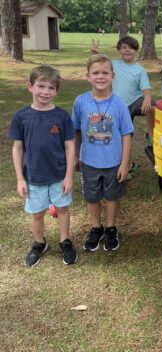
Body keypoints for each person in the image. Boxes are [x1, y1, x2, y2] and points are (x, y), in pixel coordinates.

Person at [9, 65, 77, 267]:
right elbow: (18, 148)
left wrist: (69, 176)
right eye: (41, 86)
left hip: (59, 175)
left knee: (62, 209)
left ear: (57, 91)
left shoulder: (62, 116)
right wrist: (21, 178)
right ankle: (39, 243)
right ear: (30, 87)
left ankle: (65, 241)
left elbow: (70, 145)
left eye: (51, 88)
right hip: (34, 177)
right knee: (37, 213)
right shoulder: (21, 117)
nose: (46, 92)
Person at [72, 54, 134, 252]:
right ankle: (96, 228)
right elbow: (77, 131)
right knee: (92, 197)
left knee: (112, 196)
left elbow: (126, 135)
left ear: (112, 76)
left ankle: (110, 228)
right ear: (88, 76)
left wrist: (124, 163)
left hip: (114, 162)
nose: (100, 76)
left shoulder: (119, 104)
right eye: (95, 73)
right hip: (89, 161)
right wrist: (75, 156)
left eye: (105, 72)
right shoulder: (80, 102)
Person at [112, 36, 155, 146]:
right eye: (124, 47)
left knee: (155, 108)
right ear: (119, 50)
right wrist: (94, 54)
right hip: (119, 106)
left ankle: (151, 135)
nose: (127, 50)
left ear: (135, 51)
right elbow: (99, 65)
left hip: (135, 102)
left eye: (131, 48)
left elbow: (146, 88)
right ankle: (128, 163)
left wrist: (147, 99)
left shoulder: (139, 69)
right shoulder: (113, 64)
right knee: (125, 137)